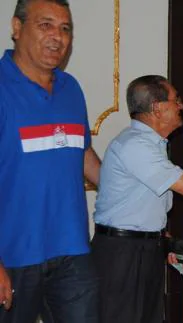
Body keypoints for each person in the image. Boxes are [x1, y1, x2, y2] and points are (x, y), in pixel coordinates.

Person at [91, 75, 183, 323]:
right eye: (176, 100)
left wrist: (158, 237)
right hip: (122, 253)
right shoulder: (136, 145)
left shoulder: (151, 144)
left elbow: (145, 200)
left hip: (143, 248)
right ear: (157, 107)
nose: (181, 106)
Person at [0, 0, 101, 322]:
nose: (57, 36)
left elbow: (83, 153)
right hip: (12, 256)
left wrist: (132, 200)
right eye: (45, 25)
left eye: (65, 28)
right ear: (17, 28)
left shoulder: (72, 88)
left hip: (72, 250)